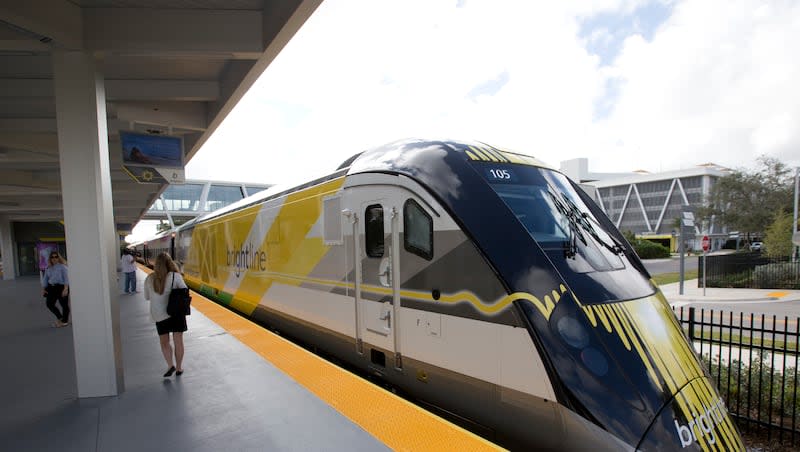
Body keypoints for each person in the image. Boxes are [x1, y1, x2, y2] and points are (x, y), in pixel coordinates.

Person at [144, 252, 188, 377]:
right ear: (170, 263)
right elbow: (185, 291)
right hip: (176, 314)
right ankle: (179, 368)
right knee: (178, 341)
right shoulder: (175, 276)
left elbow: (147, 297)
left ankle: (170, 365)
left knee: (164, 342)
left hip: (159, 315)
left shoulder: (149, 278)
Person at [41, 251, 70, 327]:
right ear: (50, 258)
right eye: (52, 257)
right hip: (51, 288)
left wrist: (66, 288)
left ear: (58, 258)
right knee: (49, 304)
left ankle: (65, 321)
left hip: (61, 287)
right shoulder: (48, 267)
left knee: (64, 305)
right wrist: (44, 288)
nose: (54, 258)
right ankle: (60, 317)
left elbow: (66, 278)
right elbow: (45, 279)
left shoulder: (63, 267)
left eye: (56, 257)